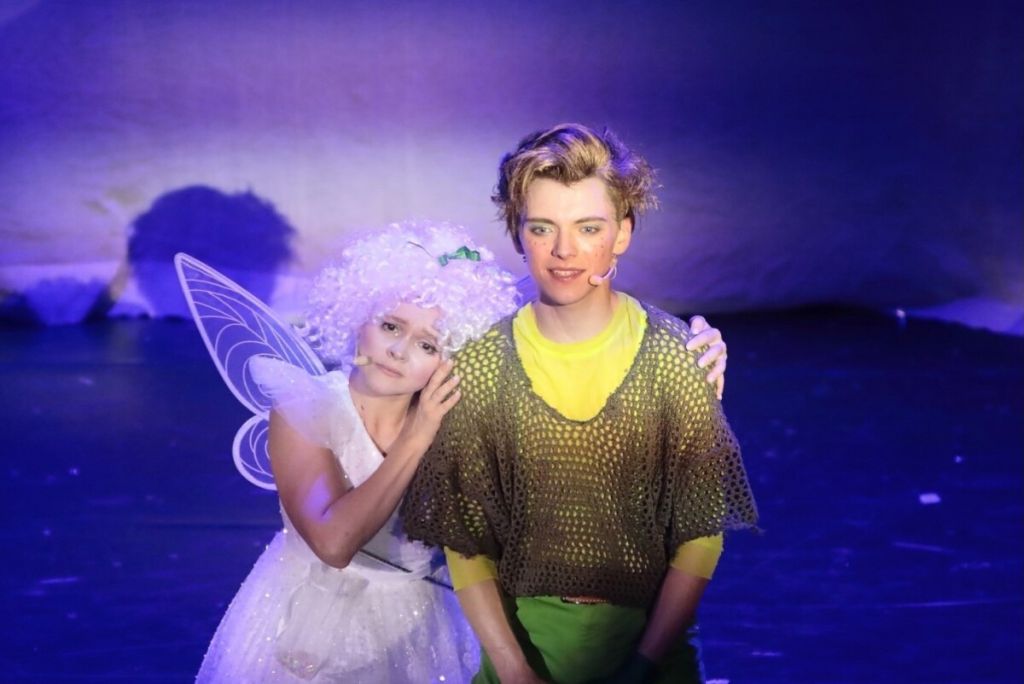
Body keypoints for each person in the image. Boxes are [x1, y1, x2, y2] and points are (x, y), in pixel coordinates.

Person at [402, 124, 759, 684]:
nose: (564, 251)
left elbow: (699, 536)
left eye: (588, 228)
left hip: (652, 645)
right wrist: (515, 670)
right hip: (520, 644)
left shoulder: (675, 356)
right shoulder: (481, 366)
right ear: (518, 234)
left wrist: (642, 665)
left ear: (622, 234)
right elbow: (466, 542)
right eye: (542, 228)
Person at [190, 223, 519, 682]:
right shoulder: (307, 406)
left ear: (451, 363)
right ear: (359, 317)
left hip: (418, 631)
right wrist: (416, 439)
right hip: (304, 631)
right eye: (390, 326)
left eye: (427, 344)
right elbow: (333, 543)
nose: (398, 351)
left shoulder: (457, 433)